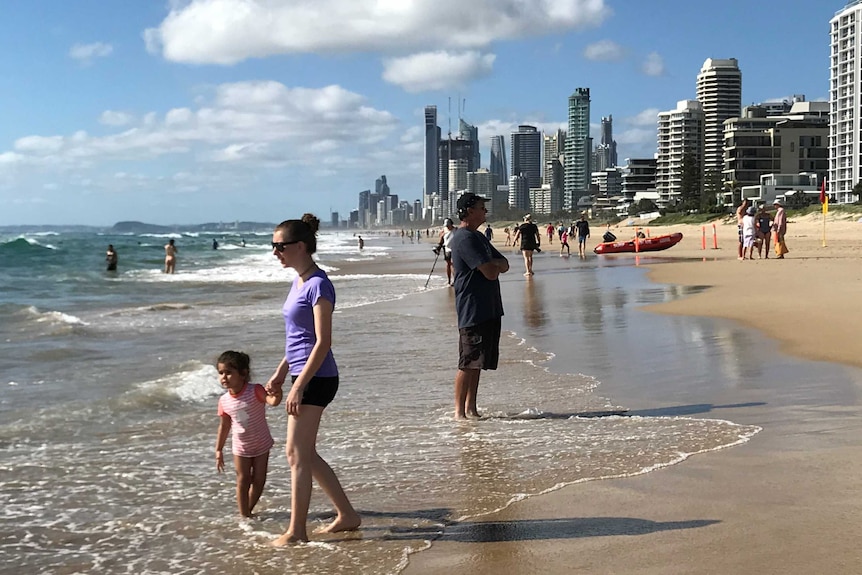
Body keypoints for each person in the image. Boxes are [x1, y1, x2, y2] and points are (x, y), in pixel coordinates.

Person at [266, 214, 361, 545]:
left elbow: (322, 342)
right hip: (302, 373)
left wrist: (299, 384)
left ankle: (296, 532)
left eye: (280, 246)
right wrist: (281, 374)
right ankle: (347, 515)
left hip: (317, 376)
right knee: (303, 453)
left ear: (301, 246)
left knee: (295, 454)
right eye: (273, 246)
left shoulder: (320, 284)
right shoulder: (299, 281)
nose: (275, 252)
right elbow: (298, 337)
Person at [448, 193, 509, 419]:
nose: (485, 212)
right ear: (469, 211)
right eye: (482, 208)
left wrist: (494, 264)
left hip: (489, 308)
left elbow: (505, 263)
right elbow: (492, 272)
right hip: (472, 308)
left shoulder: (479, 237)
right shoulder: (464, 238)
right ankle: (459, 412)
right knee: (467, 361)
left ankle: (471, 408)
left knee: (478, 362)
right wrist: (494, 265)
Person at [215, 350, 282, 518]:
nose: (224, 377)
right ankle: (244, 515)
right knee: (243, 481)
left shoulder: (255, 390)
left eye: (229, 373)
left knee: (259, 481)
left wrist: (277, 393)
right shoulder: (224, 401)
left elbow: (272, 402)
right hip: (241, 447)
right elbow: (224, 426)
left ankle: (248, 511)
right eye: (221, 373)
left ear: (243, 373)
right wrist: (219, 449)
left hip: (261, 443)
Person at [435, 218, 456, 286]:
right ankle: (449, 280)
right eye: (446, 225)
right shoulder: (444, 231)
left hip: (454, 250)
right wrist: (438, 247)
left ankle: (454, 280)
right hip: (447, 250)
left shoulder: (456, 230)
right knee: (448, 265)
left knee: (453, 265)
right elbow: (441, 240)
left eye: (448, 225)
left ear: (451, 224)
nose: (447, 227)